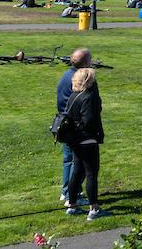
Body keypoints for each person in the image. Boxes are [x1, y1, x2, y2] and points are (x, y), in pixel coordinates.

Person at [63, 67, 105, 221]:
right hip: (87, 139)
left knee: (77, 172)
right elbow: (88, 121)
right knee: (91, 173)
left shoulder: (74, 95)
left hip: (74, 139)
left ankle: (72, 205)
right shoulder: (89, 97)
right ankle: (94, 208)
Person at [57, 48, 92, 207]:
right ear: (85, 63)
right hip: (75, 125)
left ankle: (65, 192)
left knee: (68, 160)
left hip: (64, 122)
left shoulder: (65, 75)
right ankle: (74, 194)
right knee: (78, 163)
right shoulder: (79, 79)